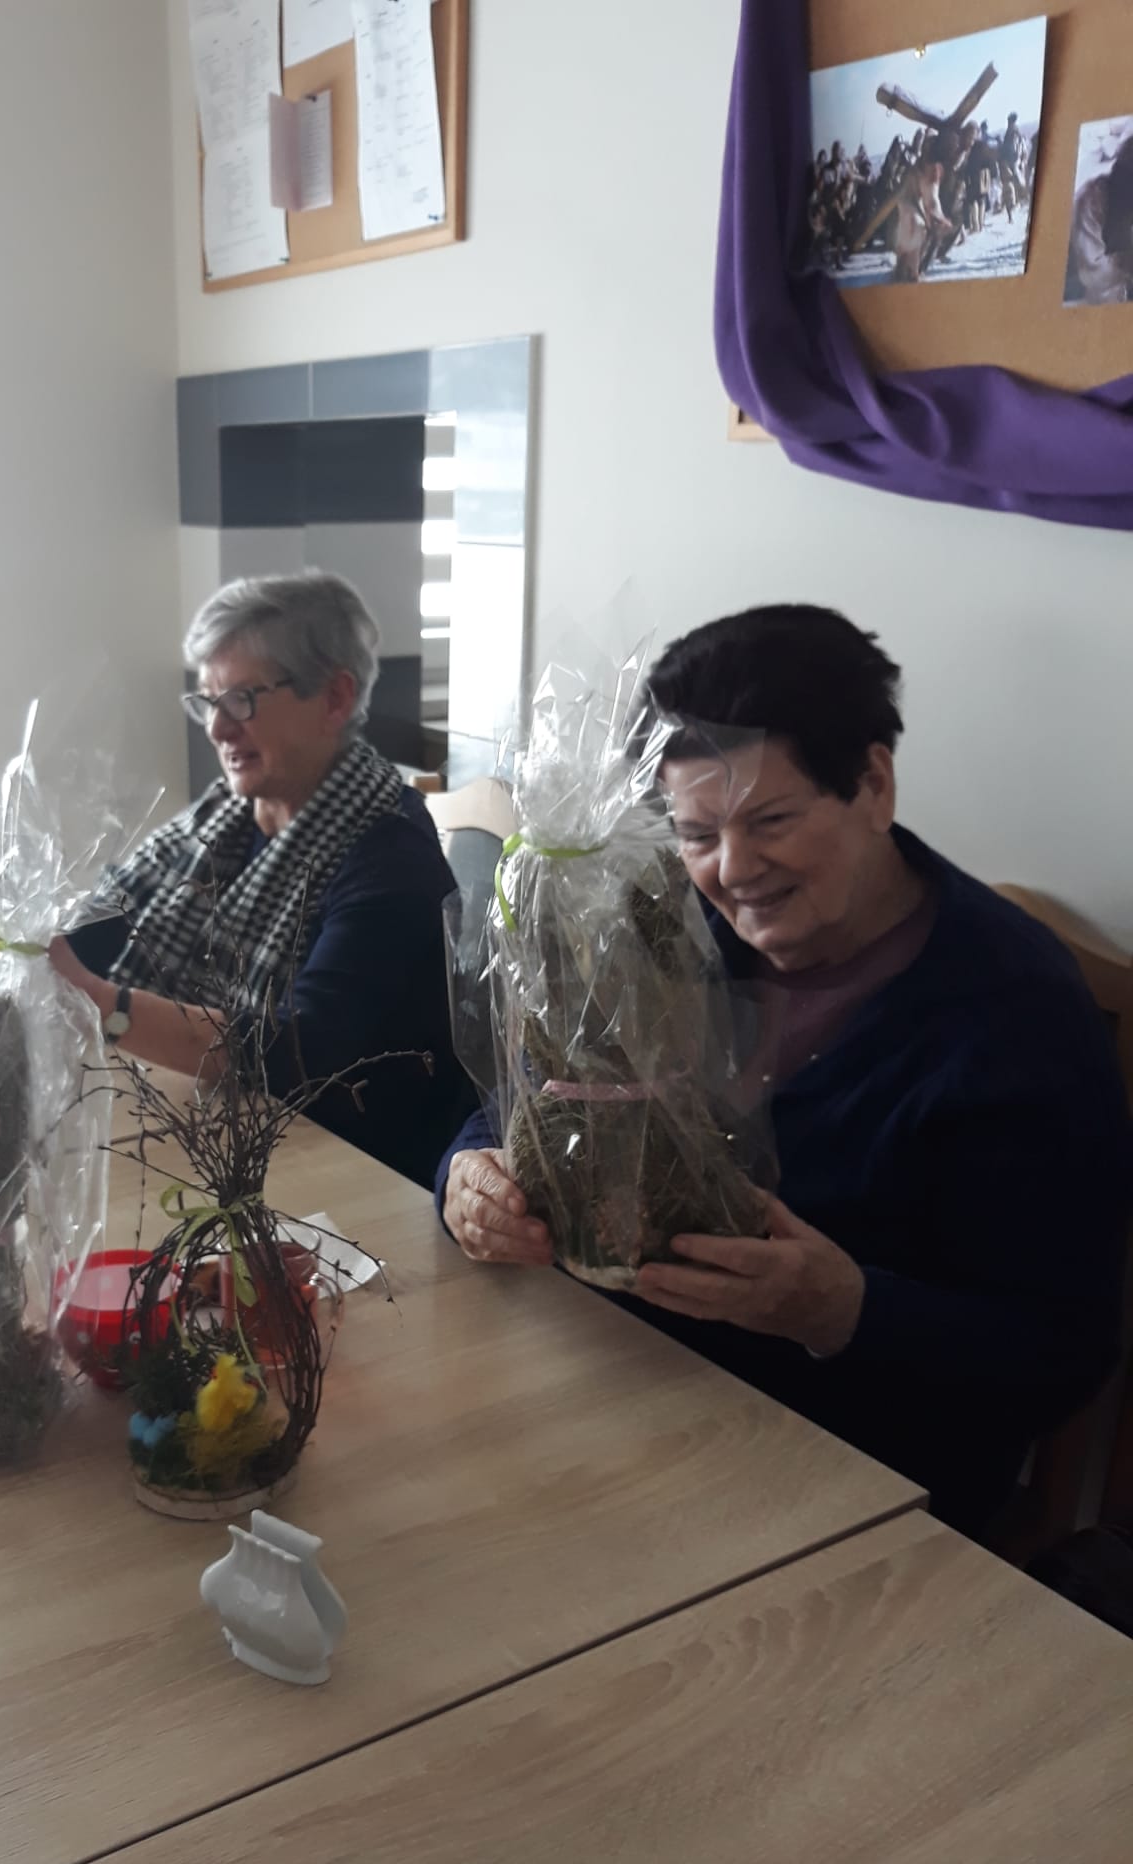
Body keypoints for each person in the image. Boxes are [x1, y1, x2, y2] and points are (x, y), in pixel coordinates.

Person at [437, 605, 1132, 1535]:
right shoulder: (670, 932)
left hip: (850, 1483)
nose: (731, 871)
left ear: (873, 785)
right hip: (614, 1393)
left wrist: (843, 1311)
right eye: (696, 834)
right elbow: (541, 1093)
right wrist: (469, 1174)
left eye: (769, 820)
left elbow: (1063, 1351)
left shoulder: (1009, 1017)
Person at [51, 570, 474, 1189]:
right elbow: (103, 930)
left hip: (358, 1182)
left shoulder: (390, 855)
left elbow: (300, 1051)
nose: (218, 729)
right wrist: (2, 940)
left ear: (334, 698)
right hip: (233, 1138)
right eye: (208, 702)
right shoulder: (224, 817)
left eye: (241, 699)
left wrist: (105, 1005)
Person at [1066, 134, 1133, 305]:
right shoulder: (1091, 199)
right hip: (1081, 296)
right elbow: (1093, 272)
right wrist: (1125, 262)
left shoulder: (1124, 202)